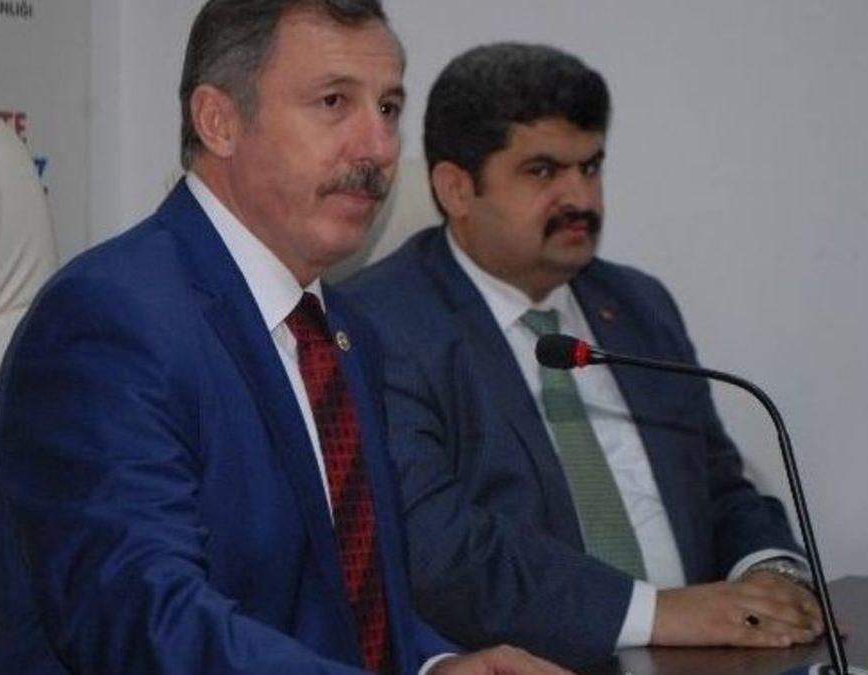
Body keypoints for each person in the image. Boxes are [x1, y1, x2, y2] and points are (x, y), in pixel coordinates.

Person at [0, 5, 569, 675]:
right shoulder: (106, 321)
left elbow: (351, 603)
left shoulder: (343, 331)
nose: (378, 147)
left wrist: (437, 665)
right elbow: (148, 623)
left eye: (389, 108)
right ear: (219, 121)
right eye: (334, 102)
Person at [340, 42, 824, 669]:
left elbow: (720, 487)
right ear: (456, 188)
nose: (582, 199)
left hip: (711, 657)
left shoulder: (639, 305)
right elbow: (438, 551)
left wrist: (773, 578)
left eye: (590, 167)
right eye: (543, 172)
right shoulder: (377, 326)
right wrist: (657, 613)